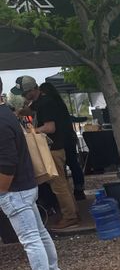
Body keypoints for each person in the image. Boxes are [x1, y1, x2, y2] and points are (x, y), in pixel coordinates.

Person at [0, 78, 62, 270]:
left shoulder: (2, 121)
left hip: (14, 190)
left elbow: (7, 163)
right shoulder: (8, 115)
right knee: (39, 233)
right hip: (24, 187)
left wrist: (2, 190)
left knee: (31, 239)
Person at [12, 76, 80, 229]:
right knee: (63, 183)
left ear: (31, 90)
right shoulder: (42, 101)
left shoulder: (46, 103)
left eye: (23, 93)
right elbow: (31, 109)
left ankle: (70, 216)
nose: (23, 96)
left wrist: (32, 131)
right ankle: (73, 212)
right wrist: (20, 112)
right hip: (56, 148)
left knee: (58, 185)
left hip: (54, 149)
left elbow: (50, 128)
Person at [39, 82, 85, 201]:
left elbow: (51, 127)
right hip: (69, 137)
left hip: (61, 141)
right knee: (74, 164)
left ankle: (72, 196)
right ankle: (79, 190)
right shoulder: (58, 102)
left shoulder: (47, 103)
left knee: (63, 172)